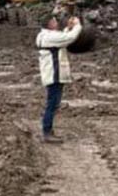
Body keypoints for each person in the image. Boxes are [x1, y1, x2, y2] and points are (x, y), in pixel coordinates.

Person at [35, 14, 83, 143]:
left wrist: (68, 27)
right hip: (54, 74)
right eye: (54, 21)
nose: (57, 23)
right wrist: (77, 25)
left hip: (50, 74)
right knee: (52, 104)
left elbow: (61, 37)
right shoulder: (50, 37)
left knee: (52, 103)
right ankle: (47, 132)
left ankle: (48, 130)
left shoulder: (43, 35)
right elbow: (69, 38)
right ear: (50, 24)